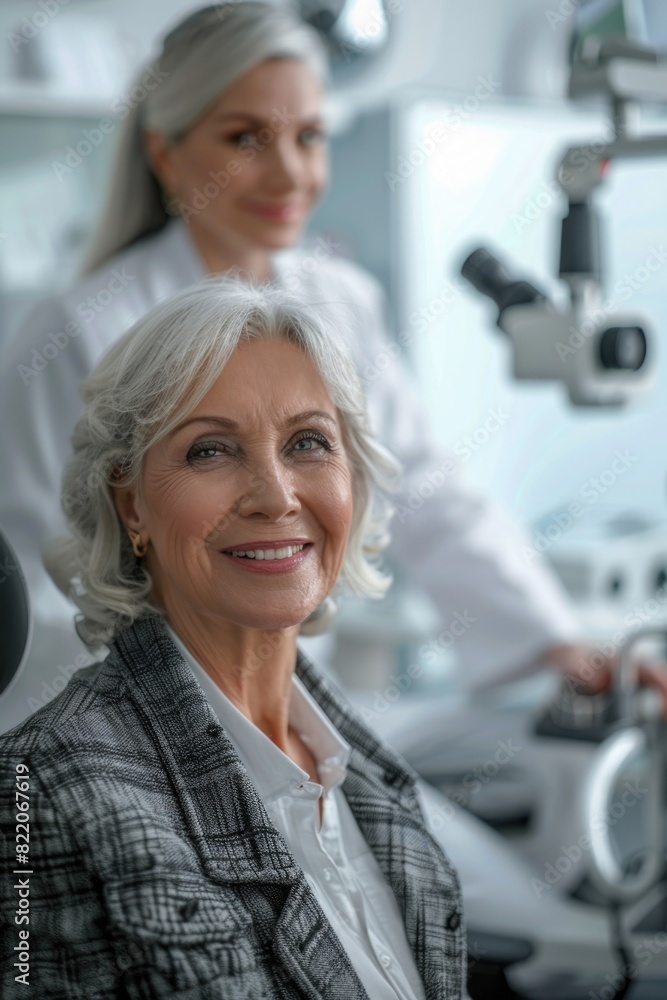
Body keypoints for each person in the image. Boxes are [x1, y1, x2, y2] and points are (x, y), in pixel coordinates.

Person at [0, 1, 661, 732]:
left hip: (298, 714)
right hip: (141, 732)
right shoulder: (81, 331)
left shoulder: (336, 300)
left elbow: (425, 494)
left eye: (308, 137)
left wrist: (552, 644)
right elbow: (39, 586)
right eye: (245, 137)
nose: (288, 173)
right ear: (166, 151)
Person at [0, 278, 467, 999]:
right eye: (210, 451)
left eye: (308, 442)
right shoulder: (44, 786)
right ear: (132, 506)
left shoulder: (367, 773)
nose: (276, 496)